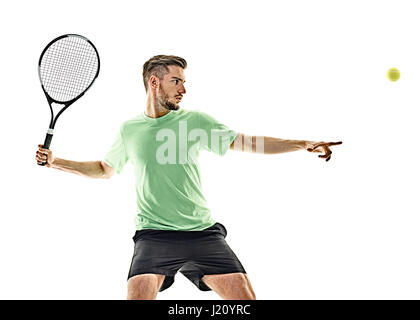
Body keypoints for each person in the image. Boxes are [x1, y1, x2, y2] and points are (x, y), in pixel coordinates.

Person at [35, 55, 342, 300]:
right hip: (154, 235)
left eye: (184, 81)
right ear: (154, 83)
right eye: (176, 81)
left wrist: (301, 144)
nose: (183, 88)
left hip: (202, 234)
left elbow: (249, 142)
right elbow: (104, 169)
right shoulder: (130, 129)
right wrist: (56, 162)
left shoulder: (195, 122)